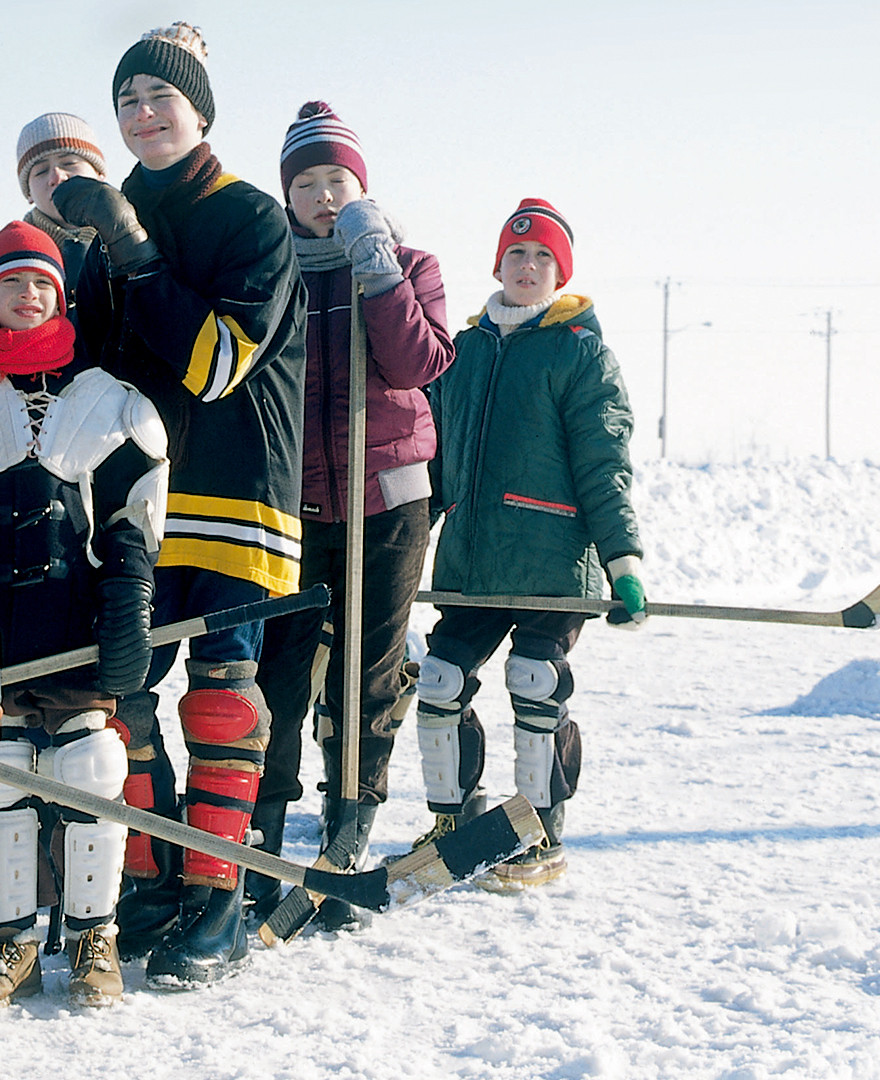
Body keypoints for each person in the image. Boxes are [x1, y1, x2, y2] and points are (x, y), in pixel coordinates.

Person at [56, 22, 307, 987]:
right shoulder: (114, 221)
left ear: (201, 112)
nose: (144, 114)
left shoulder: (251, 217)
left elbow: (215, 365)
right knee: (121, 690)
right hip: (137, 493)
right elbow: (96, 369)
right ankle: (154, 874)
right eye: (127, 101)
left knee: (218, 692)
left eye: (161, 98)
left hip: (237, 489)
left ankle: (223, 891)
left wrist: (138, 258)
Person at [0, 222, 168, 1010]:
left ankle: (95, 937)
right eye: (11, 282)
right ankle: (11, 942)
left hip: (76, 626)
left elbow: (132, 512)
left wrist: (128, 597)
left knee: (92, 769)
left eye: (44, 284)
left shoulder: (105, 399)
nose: (28, 294)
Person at [249, 102, 456, 931]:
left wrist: (380, 274)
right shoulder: (274, 272)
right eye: (307, 183)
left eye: (338, 180)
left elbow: (417, 363)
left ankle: (346, 836)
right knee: (280, 675)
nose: (325, 196)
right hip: (295, 505)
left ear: (362, 186)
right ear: (287, 196)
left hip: (389, 499)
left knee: (366, 674)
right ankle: (261, 837)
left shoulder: (409, 261)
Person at [413, 198, 646, 891]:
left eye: (544, 257)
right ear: (498, 263)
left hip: (552, 561)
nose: (529, 266)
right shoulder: (463, 349)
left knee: (534, 681)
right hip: (473, 561)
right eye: (518, 254)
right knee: (440, 681)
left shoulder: (580, 351)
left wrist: (623, 562)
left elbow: (606, 460)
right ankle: (454, 820)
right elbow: (430, 461)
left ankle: (539, 833)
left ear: (561, 273)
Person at [13, 112, 110, 289]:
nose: (57, 177)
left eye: (69, 163)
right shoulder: (9, 251)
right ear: (29, 194)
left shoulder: (134, 233)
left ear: (99, 174)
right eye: (41, 171)